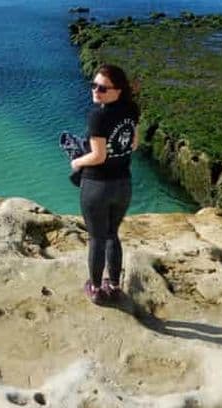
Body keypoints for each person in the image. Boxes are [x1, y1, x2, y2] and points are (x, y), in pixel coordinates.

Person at [70, 64, 139, 304]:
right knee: (112, 235)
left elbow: (98, 156)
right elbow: (134, 144)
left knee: (97, 238)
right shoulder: (132, 109)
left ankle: (96, 289)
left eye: (102, 88)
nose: (96, 91)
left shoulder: (98, 116)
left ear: (118, 90)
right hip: (123, 184)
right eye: (94, 85)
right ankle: (115, 286)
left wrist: (77, 162)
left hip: (97, 186)